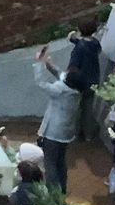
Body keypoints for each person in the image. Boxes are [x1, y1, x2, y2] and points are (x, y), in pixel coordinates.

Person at [34, 46, 86, 193]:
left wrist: (39, 64)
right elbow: (61, 74)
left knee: (50, 163)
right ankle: (62, 190)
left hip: (53, 133)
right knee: (60, 162)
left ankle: (53, 195)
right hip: (66, 133)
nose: (65, 72)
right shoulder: (76, 90)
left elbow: (41, 83)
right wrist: (47, 62)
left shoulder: (60, 89)